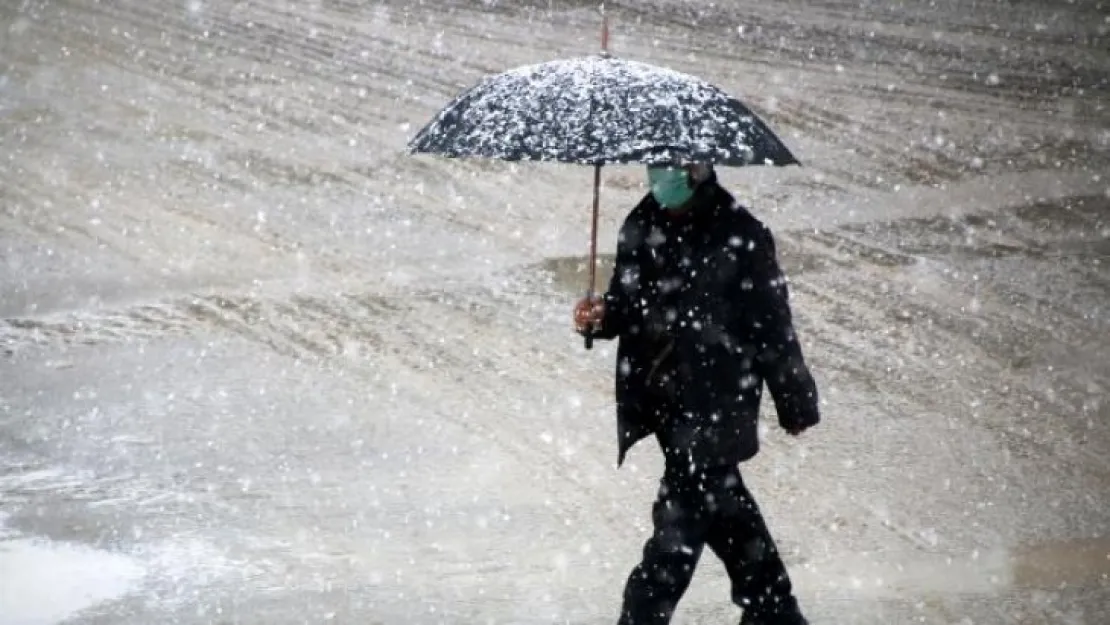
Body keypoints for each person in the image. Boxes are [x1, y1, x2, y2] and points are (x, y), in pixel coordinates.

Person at [573, 162, 820, 625]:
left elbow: (773, 329)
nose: (659, 176)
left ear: (699, 170)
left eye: (671, 166)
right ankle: (776, 615)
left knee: (675, 540)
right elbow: (627, 307)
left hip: (718, 404)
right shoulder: (640, 225)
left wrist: (796, 401)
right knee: (728, 515)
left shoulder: (740, 235)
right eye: (655, 166)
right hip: (663, 403)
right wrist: (600, 317)